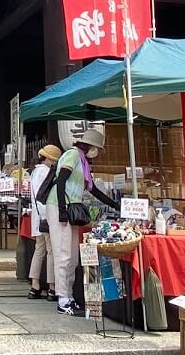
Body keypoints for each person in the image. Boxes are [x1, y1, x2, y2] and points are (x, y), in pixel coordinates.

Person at [44, 128, 121, 316]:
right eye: (97, 148)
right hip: (59, 206)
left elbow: (93, 189)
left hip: (70, 209)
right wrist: (62, 210)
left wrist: (116, 205)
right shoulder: (72, 155)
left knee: (72, 256)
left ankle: (68, 296)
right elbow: (61, 180)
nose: (97, 153)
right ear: (91, 146)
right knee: (63, 254)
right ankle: (62, 300)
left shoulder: (83, 162)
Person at [27, 144, 62, 301]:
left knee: (39, 250)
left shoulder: (34, 172)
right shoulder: (47, 172)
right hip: (46, 214)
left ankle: (34, 285)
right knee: (51, 251)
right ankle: (52, 287)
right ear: (49, 159)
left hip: (36, 216)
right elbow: (45, 196)